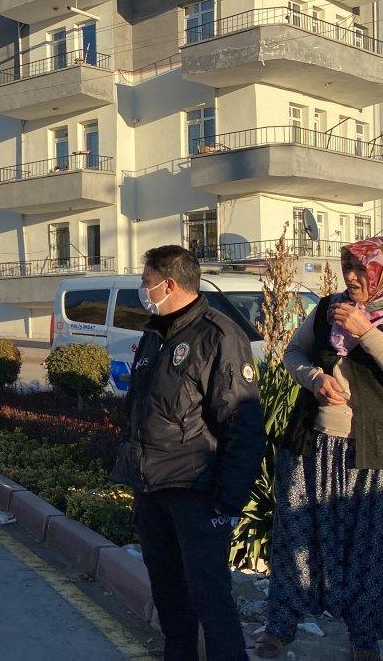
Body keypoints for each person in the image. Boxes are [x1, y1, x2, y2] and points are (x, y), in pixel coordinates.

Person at [257, 238, 383, 660]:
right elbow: (293, 352)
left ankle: (363, 637)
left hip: (375, 454)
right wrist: (314, 378)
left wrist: (367, 332)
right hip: (313, 446)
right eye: (347, 267)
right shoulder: (327, 309)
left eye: (362, 270)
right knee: (299, 535)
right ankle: (282, 624)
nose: (351, 277)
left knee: (372, 546)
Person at [109, 245, 266, 660]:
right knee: (169, 597)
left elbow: (243, 424)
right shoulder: (155, 333)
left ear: (169, 284)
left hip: (196, 491)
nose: (143, 291)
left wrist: (227, 502)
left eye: (146, 284)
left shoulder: (218, 336)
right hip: (152, 486)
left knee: (209, 599)